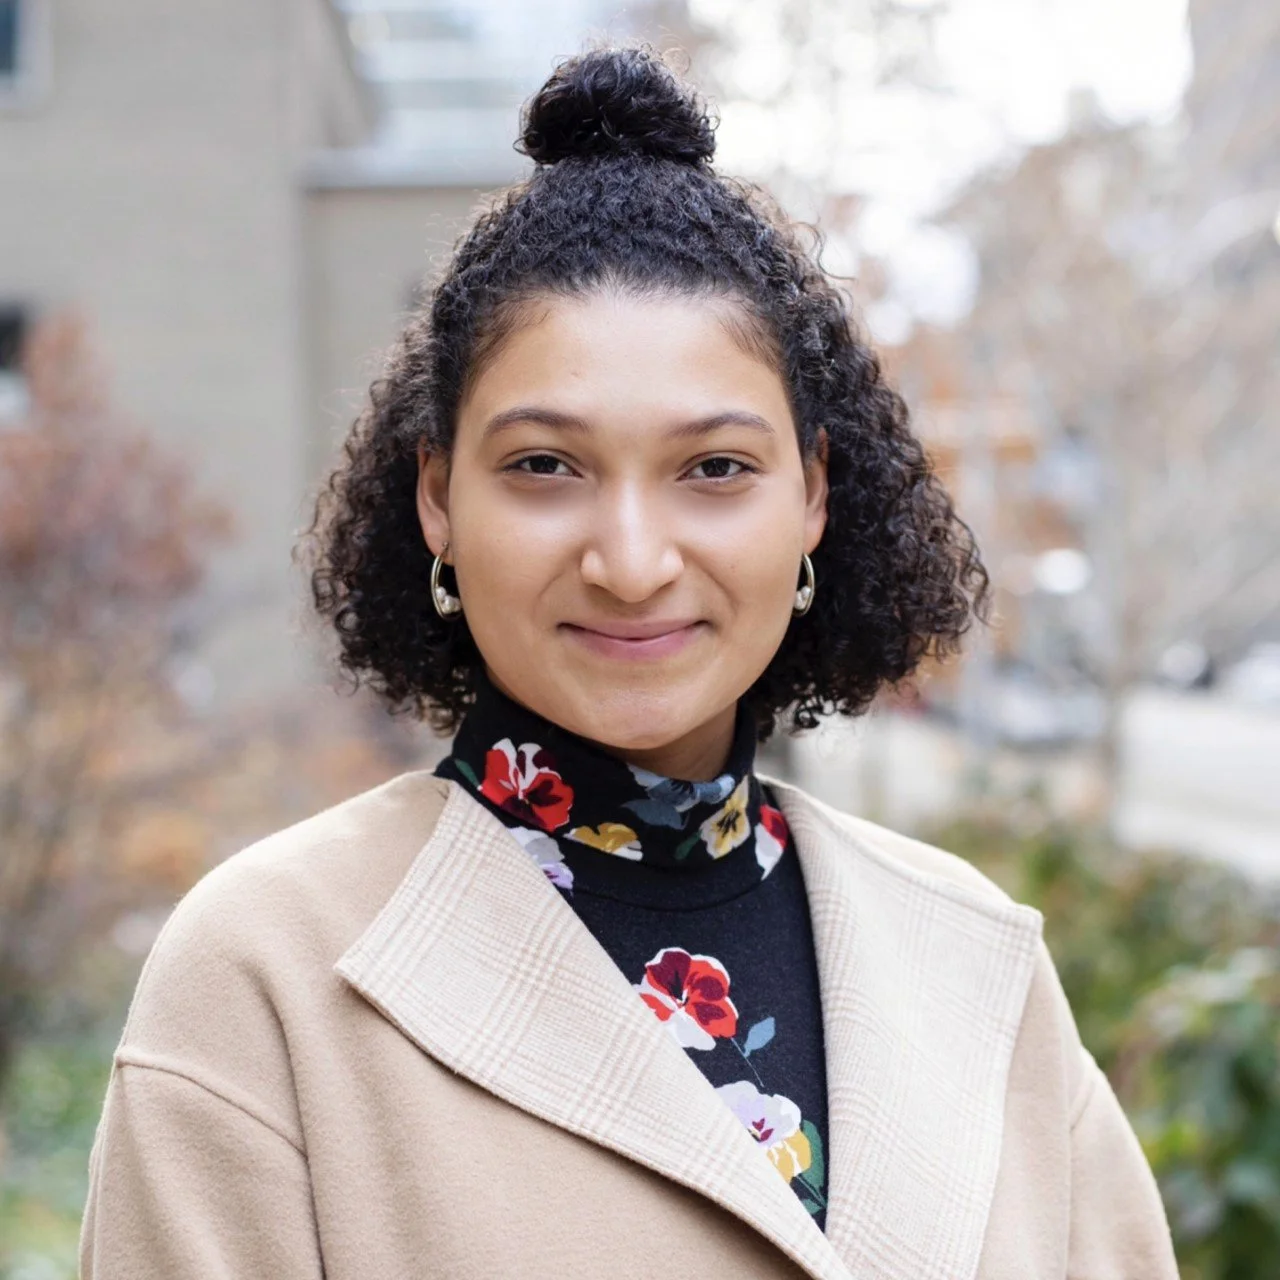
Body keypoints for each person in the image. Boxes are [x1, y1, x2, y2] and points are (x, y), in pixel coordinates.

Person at [79, 45, 1178, 1280]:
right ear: (437, 498)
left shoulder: (978, 966)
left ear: (812, 497)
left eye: (714, 468)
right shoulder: (268, 975)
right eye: (545, 466)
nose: (632, 558)